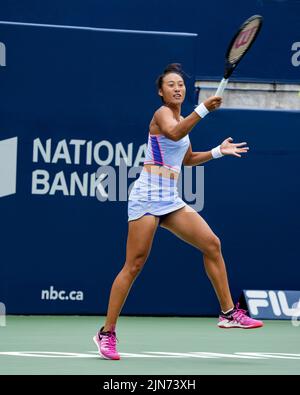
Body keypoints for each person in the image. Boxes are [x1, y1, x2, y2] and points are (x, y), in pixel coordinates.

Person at [93, 63, 263, 360]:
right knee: (133, 266)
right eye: (170, 84)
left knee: (212, 244)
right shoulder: (163, 116)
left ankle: (227, 313)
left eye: (180, 84)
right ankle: (106, 333)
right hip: (146, 197)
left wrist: (217, 152)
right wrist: (205, 109)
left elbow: (186, 158)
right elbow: (173, 134)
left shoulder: (183, 119)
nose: (177, 88)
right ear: (161, 91)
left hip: (170, 199)